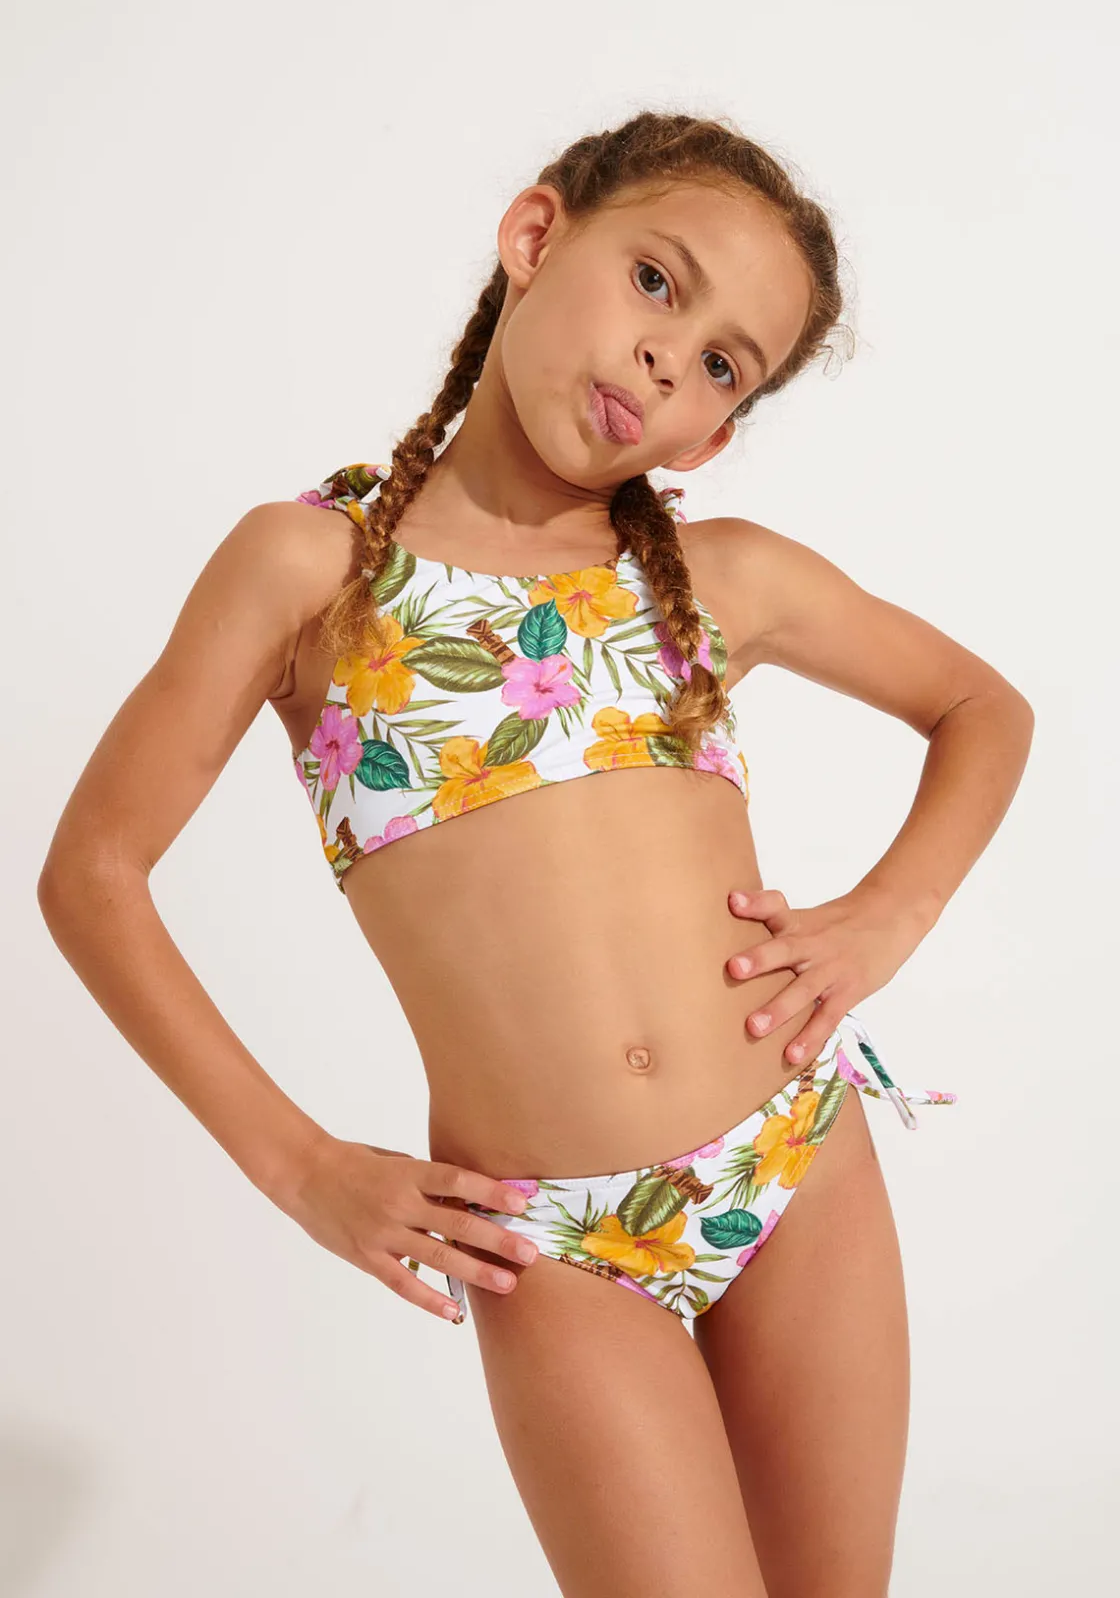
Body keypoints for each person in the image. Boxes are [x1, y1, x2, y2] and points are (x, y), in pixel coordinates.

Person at [38, 110, 1033, 1598]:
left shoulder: (717, 579)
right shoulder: (309, 572)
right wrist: (301, 1166)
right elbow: (94, 874)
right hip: (551, 1246)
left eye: (724, 366)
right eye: (657, 282)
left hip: (797, 1173)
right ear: (535, 235)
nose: (670, 359)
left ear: (717, 434)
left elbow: (983, 708)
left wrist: (889, 914)